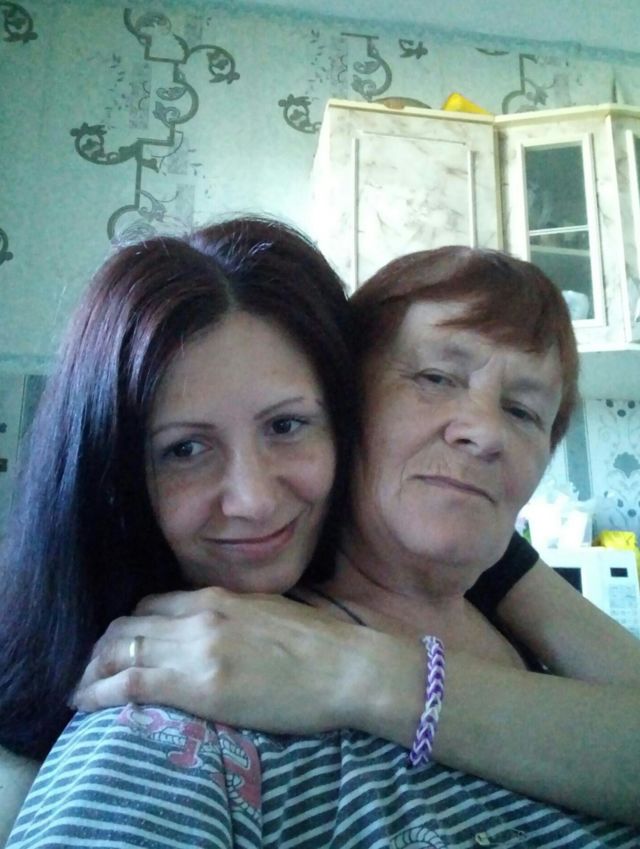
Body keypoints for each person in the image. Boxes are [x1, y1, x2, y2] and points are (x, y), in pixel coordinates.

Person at [4, 237, 639, 847]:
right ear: (350, 407)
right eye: (436, 377)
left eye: (524, 411)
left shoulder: (512, 610)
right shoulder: (186, 691)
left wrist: (365, 671)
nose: (486, 432)